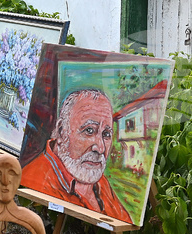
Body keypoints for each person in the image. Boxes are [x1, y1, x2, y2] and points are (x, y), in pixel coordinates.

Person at [19, 88, 131, 223]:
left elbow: (122, 219)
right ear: (61, 131)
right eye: (89, 130)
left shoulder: (98, 181)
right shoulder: (38, 178)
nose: (100, 148)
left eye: (106, 134)